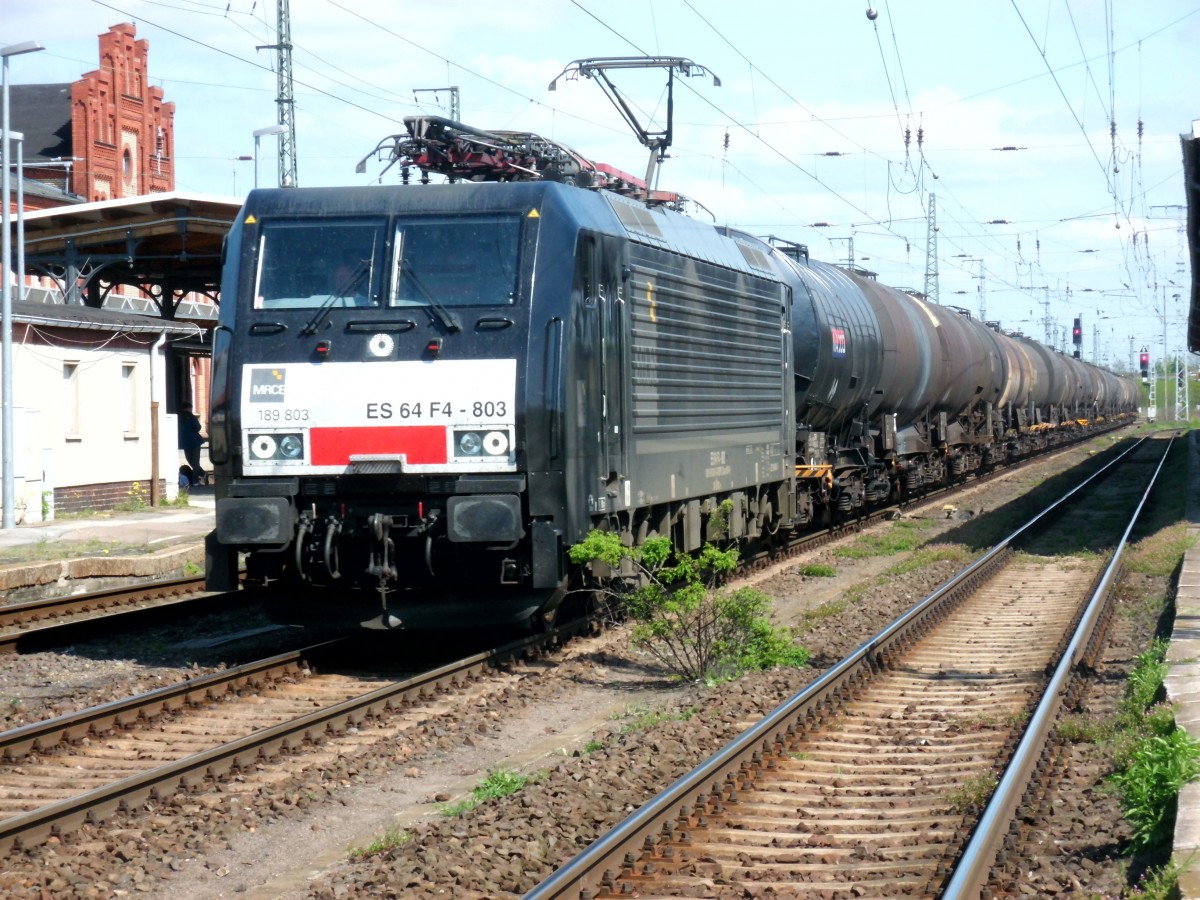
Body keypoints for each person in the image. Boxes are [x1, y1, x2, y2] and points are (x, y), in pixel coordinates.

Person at [178, 402, 206, 485]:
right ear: (188, 408)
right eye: (191, 408)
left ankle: (200, 477)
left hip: (185, 442)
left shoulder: (179, 417)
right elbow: (198, 427)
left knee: (190, 461)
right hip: (195, 441)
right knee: (195, 462)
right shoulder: (191, 417)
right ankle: (197, 479)